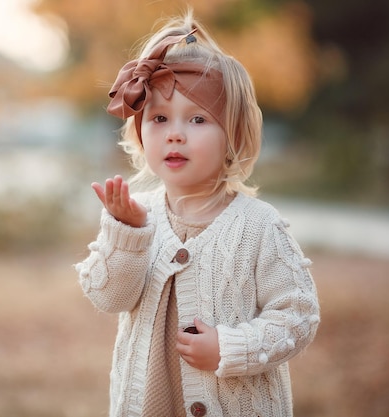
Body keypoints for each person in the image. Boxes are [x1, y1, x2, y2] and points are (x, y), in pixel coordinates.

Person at [75, 11, 320, 417]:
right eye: (158, 118)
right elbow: (107, 296)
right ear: (138, 132)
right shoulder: (138, 216)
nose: (175, 133)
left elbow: (298, 316)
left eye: (198, 119)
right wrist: (126, 236)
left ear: (234, 135)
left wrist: (232, 346)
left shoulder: (258, 226)